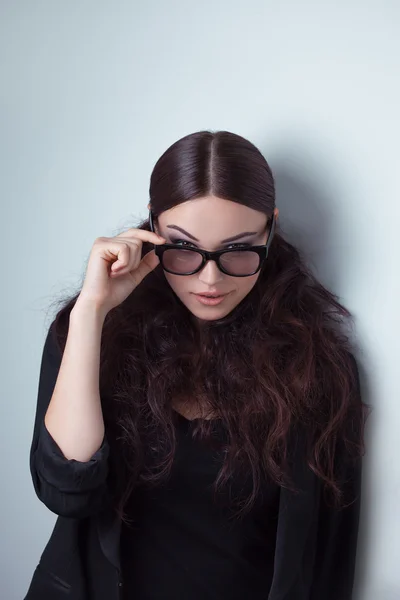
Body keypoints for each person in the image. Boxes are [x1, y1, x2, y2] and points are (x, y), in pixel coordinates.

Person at [25, 130, 370, 600]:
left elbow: (331, 554)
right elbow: (67, 488)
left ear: (271, 230)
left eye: (238, 250)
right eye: (183, 249)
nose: (210, 279)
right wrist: (91, 313)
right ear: (152, 227)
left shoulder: (318, 367)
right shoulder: (91, 332)